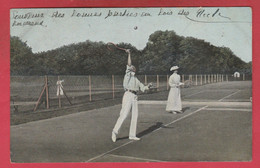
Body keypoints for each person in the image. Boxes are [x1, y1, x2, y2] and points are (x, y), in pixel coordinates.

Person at [112, 49, 152, 142]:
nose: (133, 67)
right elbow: (129, 64)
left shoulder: (136, 79)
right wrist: (129, 54)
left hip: (134, 96)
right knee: (124, 114)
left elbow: (143, 88)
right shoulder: (128, 75)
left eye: (134, 67)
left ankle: (132, 135)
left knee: (135, 115)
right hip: (128, 95)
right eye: (131, 67)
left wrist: (148, 86)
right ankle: (114, 131)